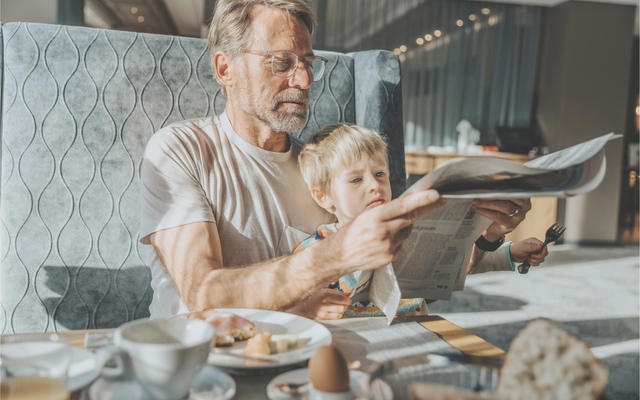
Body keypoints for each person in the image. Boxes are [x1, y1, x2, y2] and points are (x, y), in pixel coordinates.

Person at [139, 0, 533, 320]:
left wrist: (487, 233)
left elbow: (406, 276)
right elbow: (202, 294)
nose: (305, 81)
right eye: (282, 62)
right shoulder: (180, 149)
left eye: (308, 62)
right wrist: (337, 253)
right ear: (226, 68)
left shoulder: (326, 170)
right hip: (200, 359)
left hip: (305, 354)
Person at [287, 123, 549, 319]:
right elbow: (288, 304)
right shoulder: (314, 250)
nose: (374, 185)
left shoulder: (407, 230)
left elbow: (448, 260)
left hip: (418, 330)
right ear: (323, 198)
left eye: (380, 173)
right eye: (356, 179)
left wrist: (511, 253)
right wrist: (308, 308)